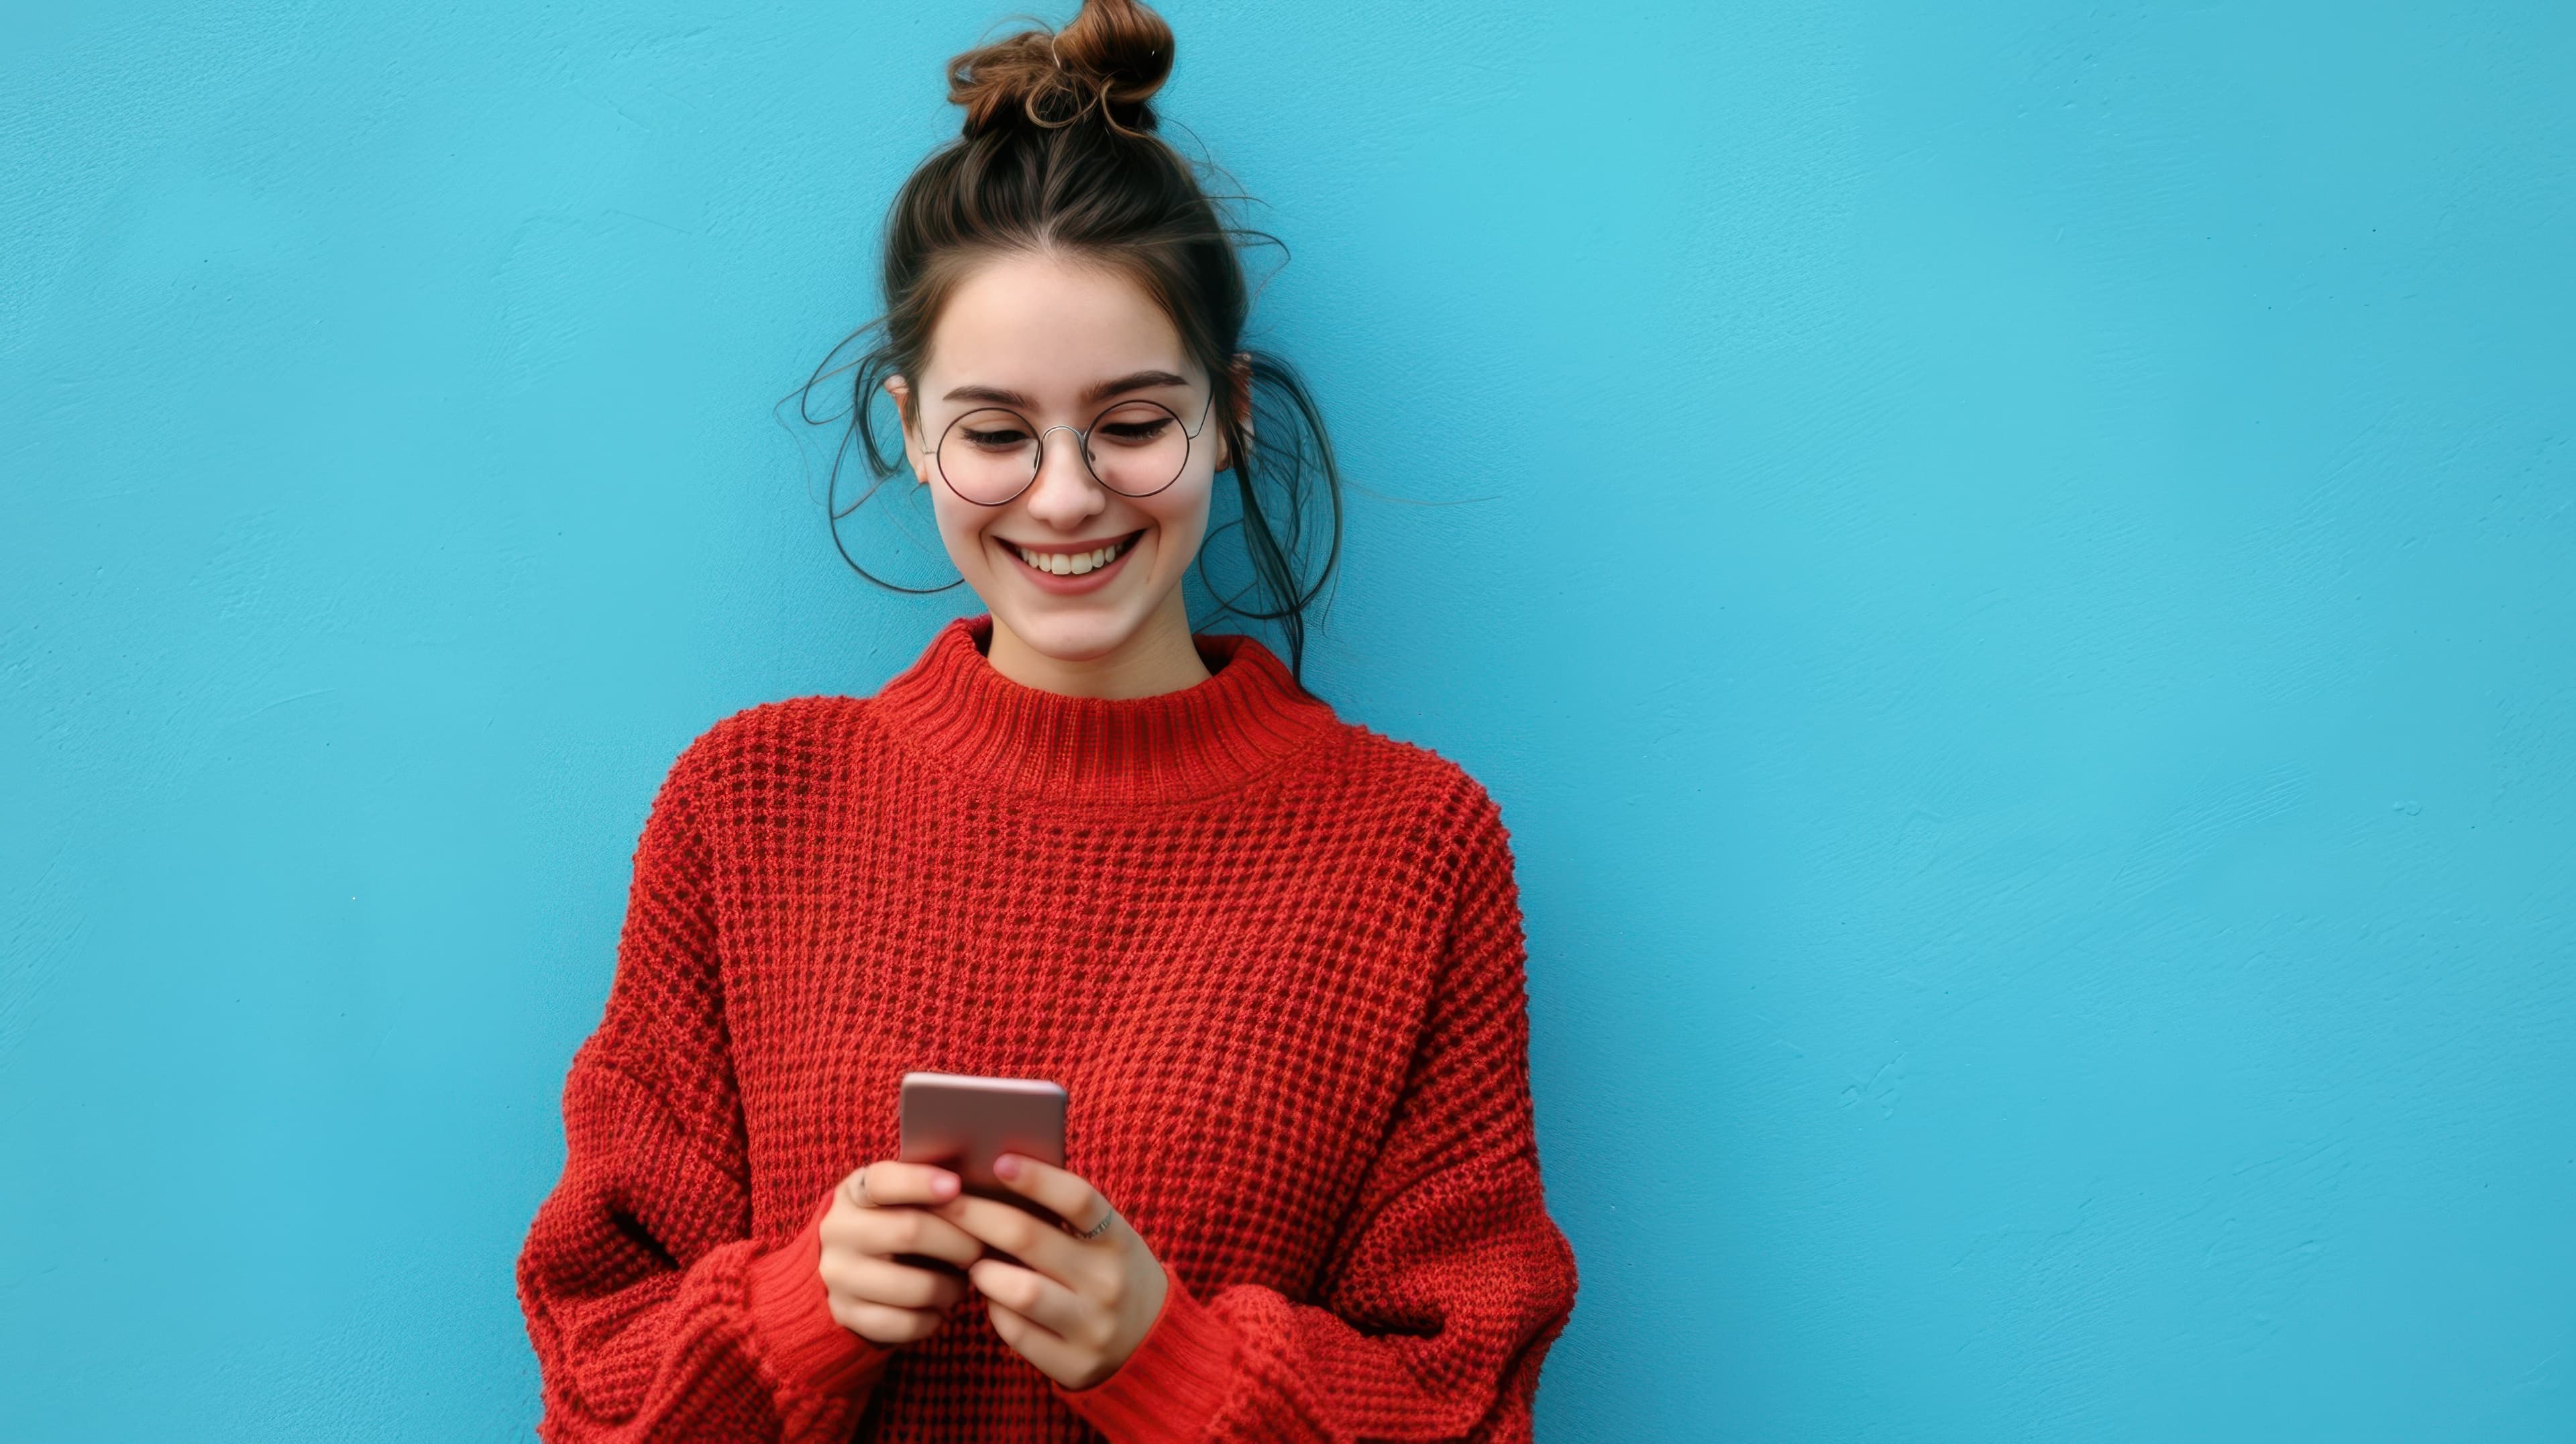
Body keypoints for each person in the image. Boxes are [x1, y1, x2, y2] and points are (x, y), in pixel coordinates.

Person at [513, 1, 1578, 1437]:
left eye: (1132, 424)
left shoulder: (1414, 845)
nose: (1067, 497)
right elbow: (593, 1377)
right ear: (912, 431)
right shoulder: (747, 807)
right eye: (997, 432)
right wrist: (793, 1315)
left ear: (1230, 414)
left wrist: (1175, 1359)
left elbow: (1465, 1396)